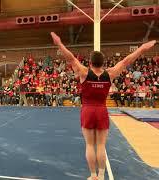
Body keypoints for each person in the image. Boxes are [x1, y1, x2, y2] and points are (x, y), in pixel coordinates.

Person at [51, 32, 156, 180]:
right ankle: (101, 175)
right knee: (101, 146)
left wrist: (60, 44)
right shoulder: (110, 74)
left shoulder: (83, 72)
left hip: (87, 110)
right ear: (103, 63)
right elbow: (126, 61)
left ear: (90, 62)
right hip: (101, 110)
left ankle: (93, 175)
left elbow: (71, 58)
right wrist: (142, 48)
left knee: (89, 145)